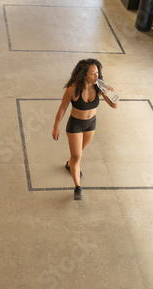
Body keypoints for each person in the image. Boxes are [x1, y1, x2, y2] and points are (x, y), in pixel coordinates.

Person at [52, 59, 119, 200]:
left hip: (90, 124)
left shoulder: (100, 88)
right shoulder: (72, 90)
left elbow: (114, 106)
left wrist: (112, 94)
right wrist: (56, 127)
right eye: (93, 74)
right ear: (84, 75)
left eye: (97, 73)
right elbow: (63, 108)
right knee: (77, 157)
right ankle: (78, 188)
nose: (97, 76)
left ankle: (70, 164)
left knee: (78, 152)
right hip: (75, 125)